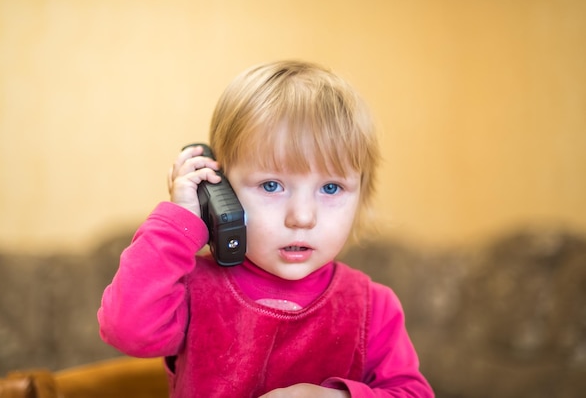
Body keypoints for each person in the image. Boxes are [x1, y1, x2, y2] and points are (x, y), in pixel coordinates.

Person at [98, 60, 433, 397]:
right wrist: (180, 221)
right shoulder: (189, 290)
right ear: (222, 190)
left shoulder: (373, 308)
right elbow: (125, 329)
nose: (302, 217)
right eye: (272, 185)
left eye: (330, 188)